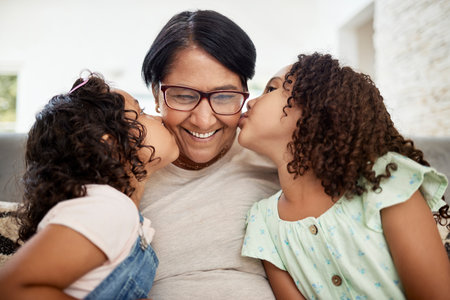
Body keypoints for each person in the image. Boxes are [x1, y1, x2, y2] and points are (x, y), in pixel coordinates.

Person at [239, 53, 450, 299]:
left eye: (272, 88)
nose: (251, 102)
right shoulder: (262, 221)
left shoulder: (385, 182)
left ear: (315, 108)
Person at [0, 73, 179, 299]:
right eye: (141, 112)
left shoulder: (116, 212)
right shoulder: (107, 208)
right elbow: (11, 288)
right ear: (111, 145)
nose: (160, 117)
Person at [140, 10, 280, 299]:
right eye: (183, 95)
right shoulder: (126, 167)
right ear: (156, 94)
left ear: (245, 93)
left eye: (225, 96)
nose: (204, 120)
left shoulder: (277, 160)